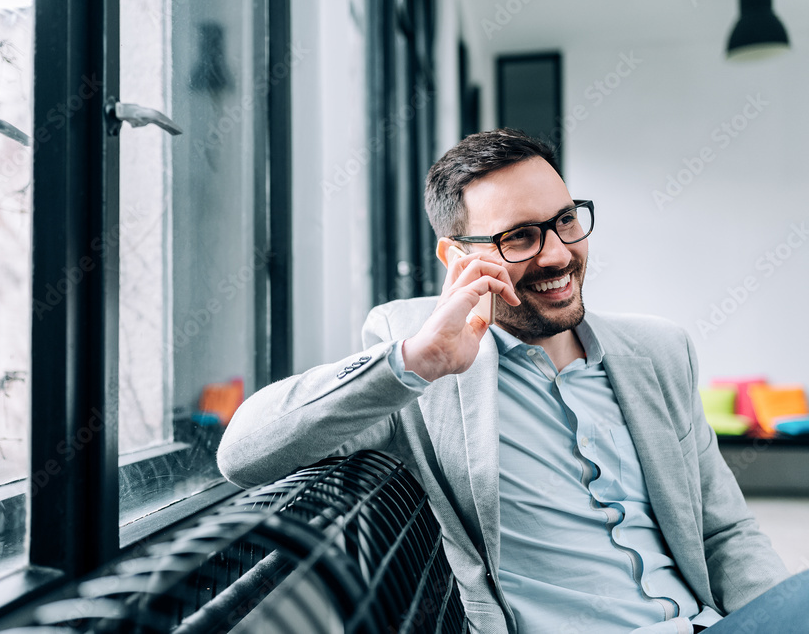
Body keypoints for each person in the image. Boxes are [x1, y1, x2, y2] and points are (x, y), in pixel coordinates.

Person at [217, 130, 804, 633]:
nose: (556, 255)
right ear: (456, 258)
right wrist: (417, 361)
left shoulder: (659, 350)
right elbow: (244, 452)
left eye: (566, 221)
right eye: (519, 237)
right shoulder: (424, 359)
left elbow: (726, 531)